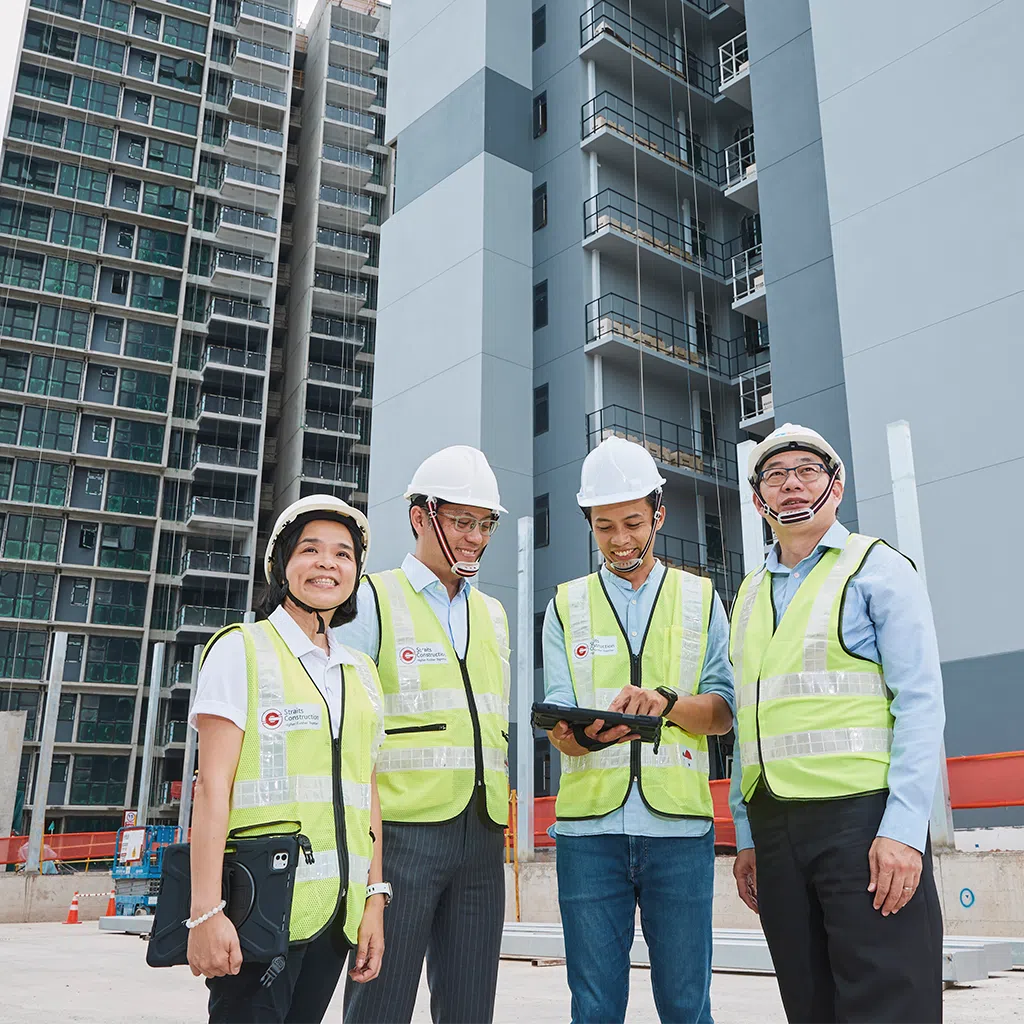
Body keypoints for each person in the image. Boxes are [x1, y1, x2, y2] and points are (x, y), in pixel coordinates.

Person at [728, 423, 945, 1024]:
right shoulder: (748, 594)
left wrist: (904, 829)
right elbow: (750, 719)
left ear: (837, 485)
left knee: (887, 999)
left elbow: (921, 702)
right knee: (808, 1002)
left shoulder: (878, 569)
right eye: (775, 474)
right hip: (776, 828)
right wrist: (747, 834)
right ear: (757, 498)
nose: (791, 484)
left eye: (807, 471)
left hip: (863, 824)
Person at [542, 437, 735, 1024]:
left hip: (678, 832)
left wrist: (666, 705)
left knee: (685, 1005)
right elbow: (557, 722)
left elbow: (724, 712)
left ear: (659, 512)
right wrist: (585, 735)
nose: (621, 539)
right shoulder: (565, 604)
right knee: (595, 1007)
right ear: (590, 526)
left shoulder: (701, 599)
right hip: (588, 835)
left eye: (632, 522)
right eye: (605, 527)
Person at [186, 496, 391, 1024]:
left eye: (344, 554)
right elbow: (211, 787)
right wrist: (206, 912)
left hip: (333, 917)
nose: (328, 563)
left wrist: (374, 901)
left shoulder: (361, 672)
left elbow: (366, 792)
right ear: (281, 565)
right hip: (257, 912)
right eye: (311, 550)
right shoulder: (241, 650)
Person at [338, 446, 511, 1024]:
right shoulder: (369, 600)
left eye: (484, 524)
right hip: (402, 836)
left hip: (483, 833)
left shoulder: (493, 614)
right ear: (421, 517)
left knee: (469, 1007)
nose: (475, 538)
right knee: (380, 1002)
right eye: (463, 521)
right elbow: (348, 735)